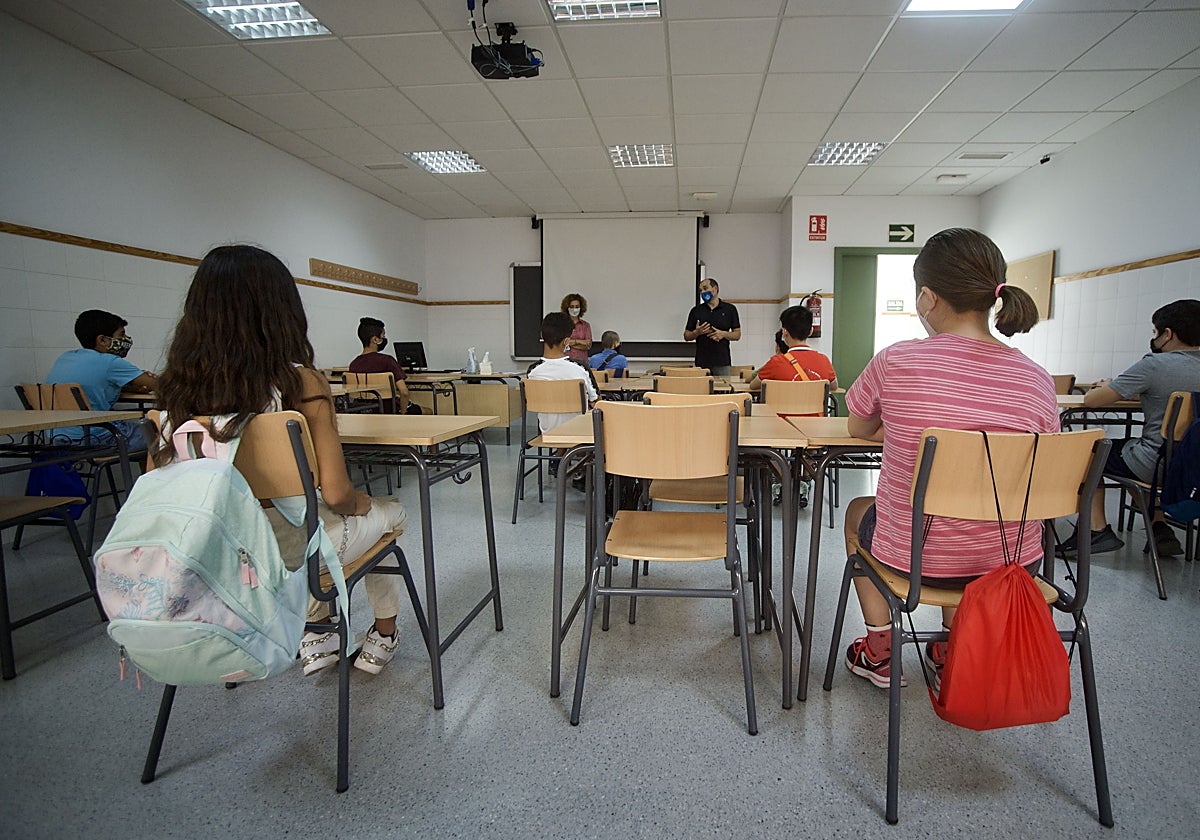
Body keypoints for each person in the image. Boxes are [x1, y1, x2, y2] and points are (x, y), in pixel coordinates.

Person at [152, 245, 407, 676]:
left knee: (299, 526)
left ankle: (319, 632)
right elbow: (339, 495)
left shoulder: (174, 396)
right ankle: (382, 634)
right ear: (281, 309)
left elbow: (160, 487)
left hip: (214, 556)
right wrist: (366, 504)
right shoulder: (300, 382)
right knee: (388, 515)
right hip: (292, 555)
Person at [842, 228, 1059, 689]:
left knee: (859, 512)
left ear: (926, 297)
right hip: (1013, 564)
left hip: (916, 561)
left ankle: (879, 652)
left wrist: (905, 422)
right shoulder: (1037, 378)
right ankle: (951, 648)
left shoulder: (897, 361)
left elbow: (858, 428)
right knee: (970, 511)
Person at [1064, 299, 1200, 558]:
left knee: (1092, 451)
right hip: (1194, 469)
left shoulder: (1155, 365)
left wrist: (1108, 385)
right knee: (1128, 456)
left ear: (1167, 334)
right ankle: (1159, 526)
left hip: (1159, 466)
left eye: (1155, 332)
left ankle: (1096, 531)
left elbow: (1092, 401)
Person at [46, 309, 157, 441]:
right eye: (121, 335)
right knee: (161, 433)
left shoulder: (65, 358)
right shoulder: (109, 362)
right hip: (97, 437)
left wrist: (130, 387)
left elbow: (92, 386)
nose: (126, 340)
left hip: (58, 438)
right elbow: (162, 385)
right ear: (103, 340)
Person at [528, 311, 598, 433]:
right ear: (566, 341)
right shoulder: (580, 368)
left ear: (541, 336)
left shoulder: (532, 372)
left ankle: (562, 451)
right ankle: (572, 451)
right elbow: (595, 400)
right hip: (579, 432)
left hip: (547, 432)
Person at [749, 305, 838, 390]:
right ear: (811, 331)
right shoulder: (824, 360)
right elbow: (834, 386)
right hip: (816, 406)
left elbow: (753, 386)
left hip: (782, 406)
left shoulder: (776, 362)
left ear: (784, 332)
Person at [348, 316, 410, 414]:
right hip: (389, 411)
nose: (384, 339)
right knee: (427, 411)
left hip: (363, 413)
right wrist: (403, 414)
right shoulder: (387, 361)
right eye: (383, 336)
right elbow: (404, 392)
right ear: (375, 339)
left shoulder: (353, 364)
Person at [683, 277, 740, 377]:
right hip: (702, 363)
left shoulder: (730, 309)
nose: (703, 292)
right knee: (701, 391)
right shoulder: (696, 311)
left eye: (705, 288)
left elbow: (737, 335)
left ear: (715, 289)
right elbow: (687, 336)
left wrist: (723, 334)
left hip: (722, 362)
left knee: (723, 391)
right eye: (701, 290)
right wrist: (697, 332)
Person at [561, 293, 592, 364]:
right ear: (567, 308)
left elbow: (588, 345)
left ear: (581, 308)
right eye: (571, 307)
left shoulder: (586, 325)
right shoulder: (561, 324)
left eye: (577, 306)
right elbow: (561, 343)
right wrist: (580, 342)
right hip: (565, 361)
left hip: (581, 362)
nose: (574, 309)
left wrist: (570, 342)